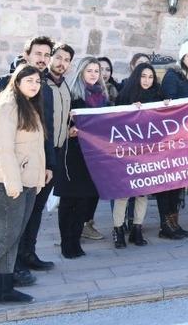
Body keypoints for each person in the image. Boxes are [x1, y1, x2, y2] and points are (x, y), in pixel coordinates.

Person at [0, 37, 56, 285]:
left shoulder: (39, 97)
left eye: (46, 54)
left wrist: (47, 166)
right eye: (38, 53)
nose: (34, 84)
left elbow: (44, 136)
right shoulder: (7, 99)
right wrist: (12, 183)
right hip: (12, 178)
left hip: (33, 173)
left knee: (21, 228)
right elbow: (4, 146)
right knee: (8, 233)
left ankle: (5, 283)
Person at [55, 57, 107, 258]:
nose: (94, 74)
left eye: (96, 71)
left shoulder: (103, 97)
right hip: (73, 155)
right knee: (69, 200)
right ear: (81, 73)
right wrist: (70, 131)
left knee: (85, 200)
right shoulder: (72, 96)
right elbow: (60, 124)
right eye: (89, 70)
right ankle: (65, 244)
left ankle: (75, 241)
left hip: (93, 156)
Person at [112, 64, 164, 248]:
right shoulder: (125, 96)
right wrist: (129, 111)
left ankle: (137, 229)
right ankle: (118, 230)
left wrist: (166, 106)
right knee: (124, 193)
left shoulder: (158, 96)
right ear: (136, 76)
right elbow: (114, 123)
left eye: (151, 77)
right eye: (143, 76)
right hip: (128, 151)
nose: (147, 80)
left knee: (143, 192)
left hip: (148, 152)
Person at [158, 41, 188, 239]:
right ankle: (165, 225)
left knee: (177, 183)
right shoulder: (172, 76)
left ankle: (174, 222)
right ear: (182, 58)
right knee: (167, 183)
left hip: (183, 139)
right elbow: (171, 104)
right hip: (171, 139)